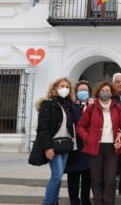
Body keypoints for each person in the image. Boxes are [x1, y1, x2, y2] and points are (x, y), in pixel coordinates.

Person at [77, 81, 121, 205]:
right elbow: (80, 126)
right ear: (98, 92)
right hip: (95, 148)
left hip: (112, 148)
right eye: (102, 90)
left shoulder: (117, 107)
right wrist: (88, 138)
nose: (105, 93)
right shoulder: (91, 107)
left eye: (107, 91)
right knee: (96, 180)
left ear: (111, 93)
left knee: (110, 179)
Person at [36, 77, 76, 205]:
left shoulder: (68, 105)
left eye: (67, 87)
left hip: (65, 145)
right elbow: (43, 129)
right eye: (61, 86)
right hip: (53, 146)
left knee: (58, 177)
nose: (65, 89)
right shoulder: (48, 105)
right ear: (55, 88)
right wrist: (47, 148)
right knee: (57, 176)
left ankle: (54, 201)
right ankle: (47, 202)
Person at [65, 80, 93, 205]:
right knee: (73, 178)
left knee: (87, 178)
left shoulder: (94, 106)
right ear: (76, 92)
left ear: (89, 92)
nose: (83, 92)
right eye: (80, 90)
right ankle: (74, 201)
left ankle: (86, 201)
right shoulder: (71, 106)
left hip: (89, 147)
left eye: (85, 90)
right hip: (75, 147)